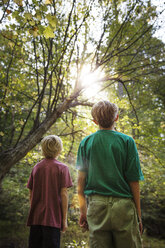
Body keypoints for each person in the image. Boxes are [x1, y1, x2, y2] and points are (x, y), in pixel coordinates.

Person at [76, 100, 144, 248]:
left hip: (96, 206)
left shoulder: (86, 143)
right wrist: (138, 215)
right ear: (116, 117)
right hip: (123, 208)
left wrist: (83, 211)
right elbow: (134, 181)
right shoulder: (127, 142)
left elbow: (80, 183)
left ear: (94, 121)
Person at [27, 135, 73, 248]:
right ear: (59, 149)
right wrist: (64, 219)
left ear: (43, 149)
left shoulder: (36, 167)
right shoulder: (62, 168)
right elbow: (64, 194)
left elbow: (31, 193)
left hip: (36, 220)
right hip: (53, 220)